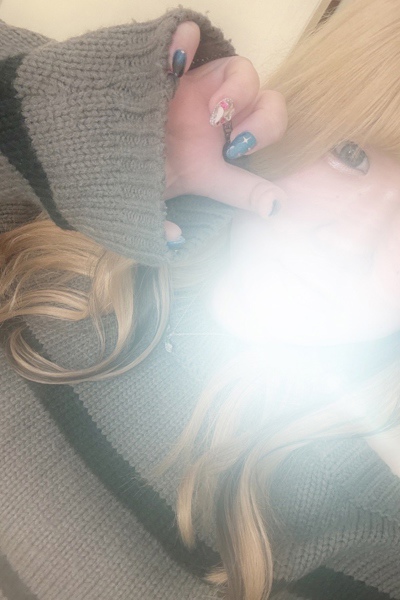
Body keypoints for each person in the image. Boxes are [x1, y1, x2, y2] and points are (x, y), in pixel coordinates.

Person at [0, 1, 399, 599]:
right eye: (351, 154)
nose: (347, 243)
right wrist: (82, 132)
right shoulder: (69, 220)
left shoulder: (366, 539)